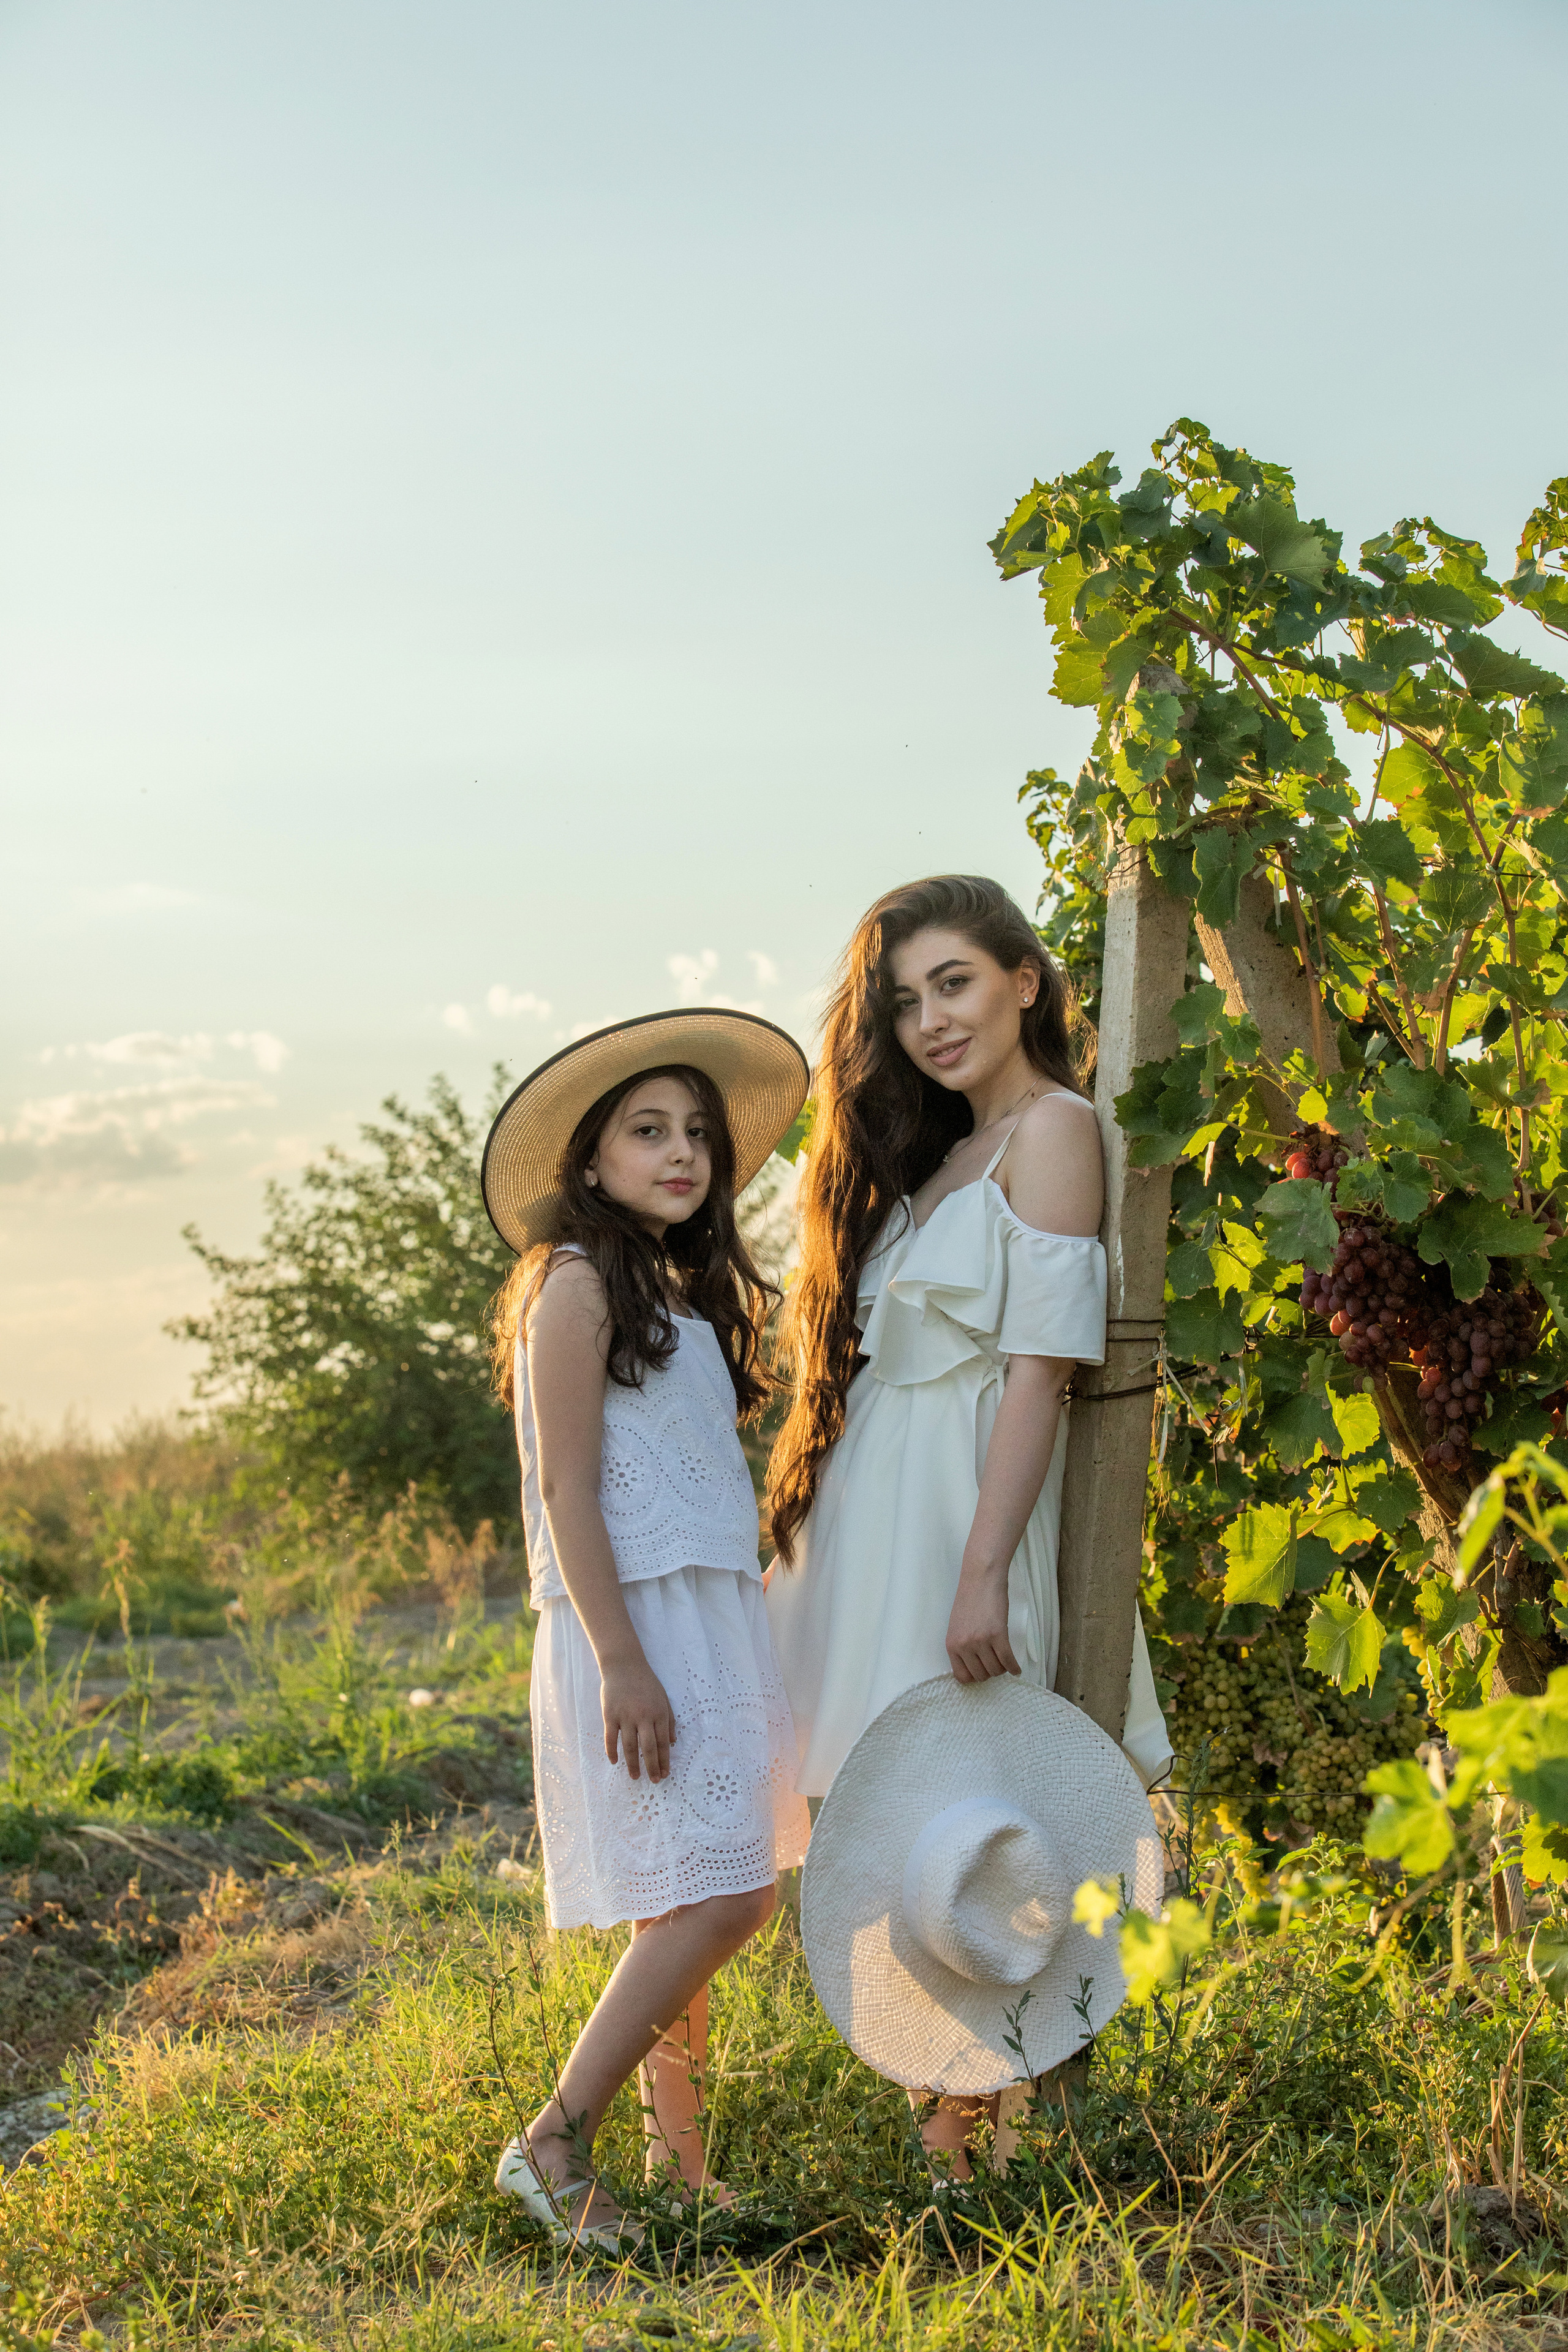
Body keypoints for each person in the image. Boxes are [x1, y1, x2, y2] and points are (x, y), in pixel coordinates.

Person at [766, 873, 1170, 2176]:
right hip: (874, 1521)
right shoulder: (933, 1155)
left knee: (976, 1802)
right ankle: (953, 2136)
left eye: (953, 983)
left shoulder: (1052, 1131)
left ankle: (975, 2146)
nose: (932, 1021)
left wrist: (983, 1572)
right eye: (902, 1002)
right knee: (892, 1818)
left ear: (1024, 980)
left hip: (957, 1519)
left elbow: (1036, 1373)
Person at [482, 1009, 812, 2250]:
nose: (680, 1153)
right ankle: (551, 2137)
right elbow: (566, 1489)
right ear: (590, 1159)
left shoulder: (674, 1291)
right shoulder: (571, 1281)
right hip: (634, 1629)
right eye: (646, 1131)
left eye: (696, 1136)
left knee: (691, 1894)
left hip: (704, 1619)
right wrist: (621, 1660)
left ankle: (683, 2173)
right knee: (726, 1899)